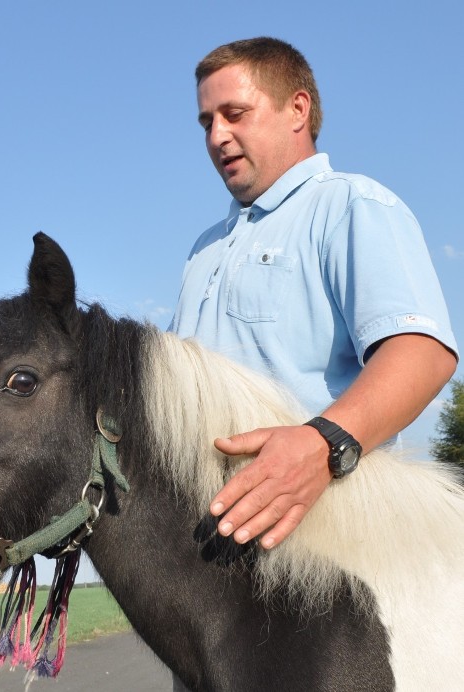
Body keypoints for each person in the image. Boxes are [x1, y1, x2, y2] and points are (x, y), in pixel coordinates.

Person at [170, 37, 458, 559]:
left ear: (296, 109)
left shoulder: (352, 205)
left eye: (235, 113)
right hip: (208, 552)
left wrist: (322, 444)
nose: (217, 136)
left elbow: (423, 353)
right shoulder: (203, 249)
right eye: (206, 121)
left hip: (325, 546)